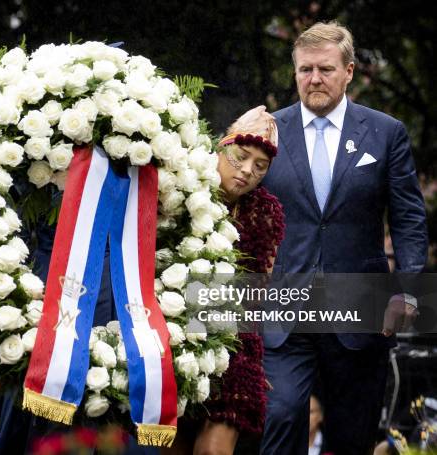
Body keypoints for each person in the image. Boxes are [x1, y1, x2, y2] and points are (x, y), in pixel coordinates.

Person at [260, 21, 428, 454]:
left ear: (349, 71)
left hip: (359, 310)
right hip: (282, 310)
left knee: (352, 435)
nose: (314, 79)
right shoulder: (267, 131)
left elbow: (408, 219)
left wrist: (407, 292)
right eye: (305, 70)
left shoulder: (385, 132)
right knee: (280, 414)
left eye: (326, 69)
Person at [166, 106, 285, 455]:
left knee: (213, 450)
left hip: (233, 347)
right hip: (172, 336)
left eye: (260, 166)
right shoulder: (183, 189)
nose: (247, 171)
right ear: (221, 147)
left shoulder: (266, 212)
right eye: (240, 157)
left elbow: (258, 290)